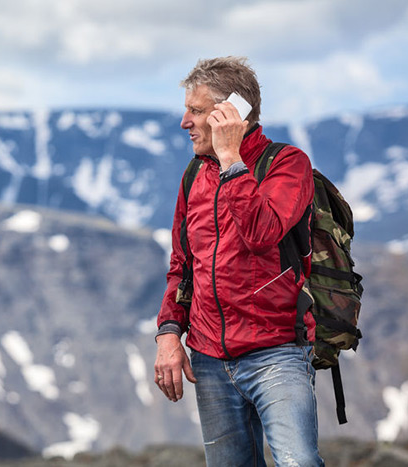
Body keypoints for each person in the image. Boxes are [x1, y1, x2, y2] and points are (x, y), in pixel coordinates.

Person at [154, 56, 324, 466]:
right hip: (210, 359)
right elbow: (182, 266)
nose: (184, 122)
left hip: (277, 353)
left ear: (230, 113)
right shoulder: (193, 176)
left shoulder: (287, 164)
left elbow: (261, 231)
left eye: (195, 111)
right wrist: (168, 333)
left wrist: (232, 160)